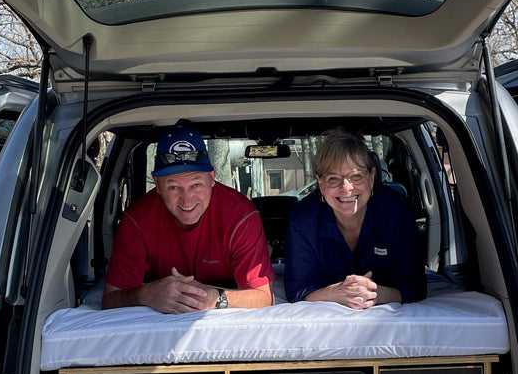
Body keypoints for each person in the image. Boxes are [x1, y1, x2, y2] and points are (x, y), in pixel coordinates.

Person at [102, 126, 275, 314]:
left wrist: (216, 298)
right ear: (157, 183)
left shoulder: (240, 215)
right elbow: (111, 298)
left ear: (212, 177)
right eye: (174, 187)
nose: (187, 200)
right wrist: (145, 294)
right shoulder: (137, 220)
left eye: (196, 184)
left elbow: (263, 297)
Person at [284, 128, 426, 308]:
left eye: (356, 176)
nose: (346, 188)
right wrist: (337, 292)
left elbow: (415, 287)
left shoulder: (396, 211)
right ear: (320, 183)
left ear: (372, 176)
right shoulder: (303, 220)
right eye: (333, 179)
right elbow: (299, 291)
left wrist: (376, 293)